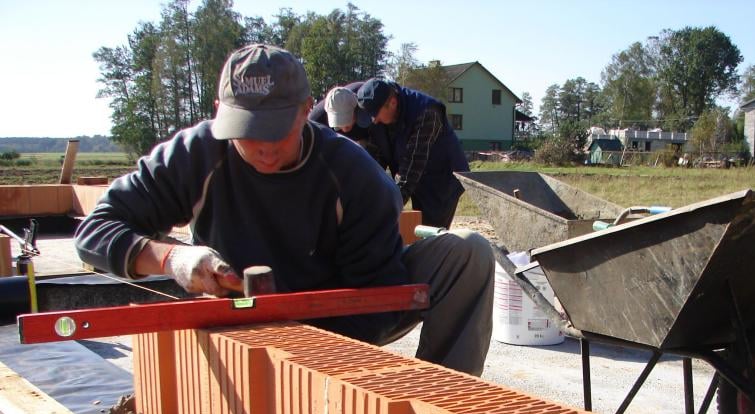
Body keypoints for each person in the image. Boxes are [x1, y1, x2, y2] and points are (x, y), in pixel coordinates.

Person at [74, 44, 493, 376]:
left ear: (305, 109)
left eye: (278, 132)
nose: (265, 149)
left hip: (336, 314)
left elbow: (374, 306)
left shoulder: (354, 177)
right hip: (239, 318)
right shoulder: (195, 155)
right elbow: (95, 232)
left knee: (467, 253)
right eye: (248, 133)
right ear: (221, 115)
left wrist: (308, 362)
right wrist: (172, 258)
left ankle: (446, 402)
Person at [356, 79, 469, 229]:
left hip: (441, 181)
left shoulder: (427, 112)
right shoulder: (379, 117)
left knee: (430, 233)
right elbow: (374, 160)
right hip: (416, 177)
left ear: (393, 103)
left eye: (376, 115)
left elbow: (411, 168)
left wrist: (388, 208)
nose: (374, 121)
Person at [308, 82, 387, 168]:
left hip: (366, 141)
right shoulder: (315, 121)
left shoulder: (368, 105)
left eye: (347, 119)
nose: (344, 129)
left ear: (355, 109)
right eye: (339, 123)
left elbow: (384, 142)